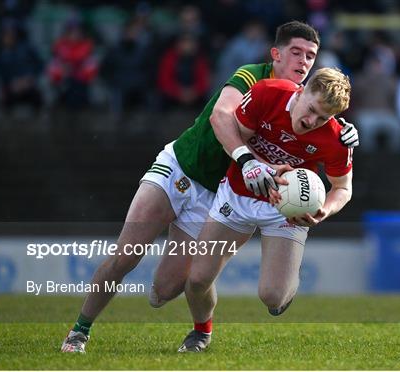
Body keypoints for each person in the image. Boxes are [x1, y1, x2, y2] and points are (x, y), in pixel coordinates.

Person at [61, 21, 358, 353]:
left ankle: (203, 329)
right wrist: (250, 161)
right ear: (275, 54)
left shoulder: (309, 107)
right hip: (182, 167)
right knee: (126, 255)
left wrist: (339, 129)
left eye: (311, 57)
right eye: (296, 53)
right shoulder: (253, 78)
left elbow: (319, 134)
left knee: (165, 291)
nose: (303, 62)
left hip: (216, 193)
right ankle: (79, 330)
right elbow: (221, 115)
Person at [179, 67, 353, 352]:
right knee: (197, 279)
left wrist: (324, 210)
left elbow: (343, 188)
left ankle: (286, 288)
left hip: (287, 209)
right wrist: (258, 165)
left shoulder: (337, 138)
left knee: (273, 296)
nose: (312, 121)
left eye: (323, 117)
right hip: (237, 193)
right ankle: (201, 332)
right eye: (311, 110)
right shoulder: (268, 93)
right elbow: (236, 138)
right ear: (302, 89)